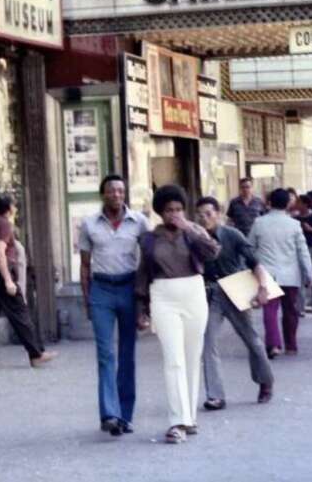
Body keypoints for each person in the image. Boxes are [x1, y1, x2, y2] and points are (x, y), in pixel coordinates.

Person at [136, 185, 220, 445]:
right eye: (169, 210)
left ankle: (190, 416)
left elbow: (214, 252)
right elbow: (143, 274)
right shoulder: (149, 239)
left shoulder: (192, 233)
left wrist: (191, 228)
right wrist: (141, 309)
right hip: (163, 295)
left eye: (179, 209)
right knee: (173, 359)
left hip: (193, 292)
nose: (174, 214)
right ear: (160, 212)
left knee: (192, 357)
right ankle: (177, 421)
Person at [79, 174, 147, 437]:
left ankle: (125, 415)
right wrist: (87, 299)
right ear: (103, 194)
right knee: (105, 354)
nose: (116, 195)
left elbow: (149, 259)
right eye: (111, 191)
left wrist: (145, 302)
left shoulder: (139, 222)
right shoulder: (89, 225)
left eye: (121, 191)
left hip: (129, 288)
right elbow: (85, 265)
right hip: (102, 290)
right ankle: (110, 413)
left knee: (127, 354)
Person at [194, 197, 275, 410]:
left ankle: (265, 380)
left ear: (219, 214)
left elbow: (255, 262)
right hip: (210, 292)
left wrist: (263, 287)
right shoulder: (195, 238)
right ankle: (216, 395)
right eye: (200, 215)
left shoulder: (232, 235)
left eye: (209, 214)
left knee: (251, 339)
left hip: (235, 288)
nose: (204, 219)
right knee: (208, 341)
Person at [0, 194, 56, 369]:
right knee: (21, 313)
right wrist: (8, 280)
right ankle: (36, 354)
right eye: (14, 206)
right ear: (9, 208)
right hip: (0, 271)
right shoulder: (4, 224)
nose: (15, 209)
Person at [248, 188, 312, 358]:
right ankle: (291, 345)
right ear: (287, 204)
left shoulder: (259, 223)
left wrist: (252, 267)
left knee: (269, 310)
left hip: (267, 274)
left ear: (269, 203)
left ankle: (274, 344)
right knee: (290, 311)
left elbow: (249, 248)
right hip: (290, 274)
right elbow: (303, 251)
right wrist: (309, 274)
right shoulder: (294, 224)